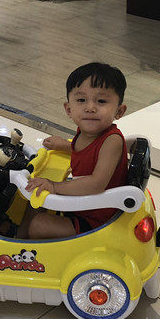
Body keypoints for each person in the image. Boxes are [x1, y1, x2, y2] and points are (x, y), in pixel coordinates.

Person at [18, 62, 129, 240]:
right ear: (69, 109)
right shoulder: (86, 132)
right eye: (81, 100)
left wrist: (54, 186)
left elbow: (96, 184)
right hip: (84, 204)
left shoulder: (112, 141)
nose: (90, 108)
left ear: (119, 111)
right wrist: (65, 146)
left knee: (38, 224)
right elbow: (89, 154)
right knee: (35, 192)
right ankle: (19, 237)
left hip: (97, 217)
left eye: (101, 101)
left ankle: (22, 248)